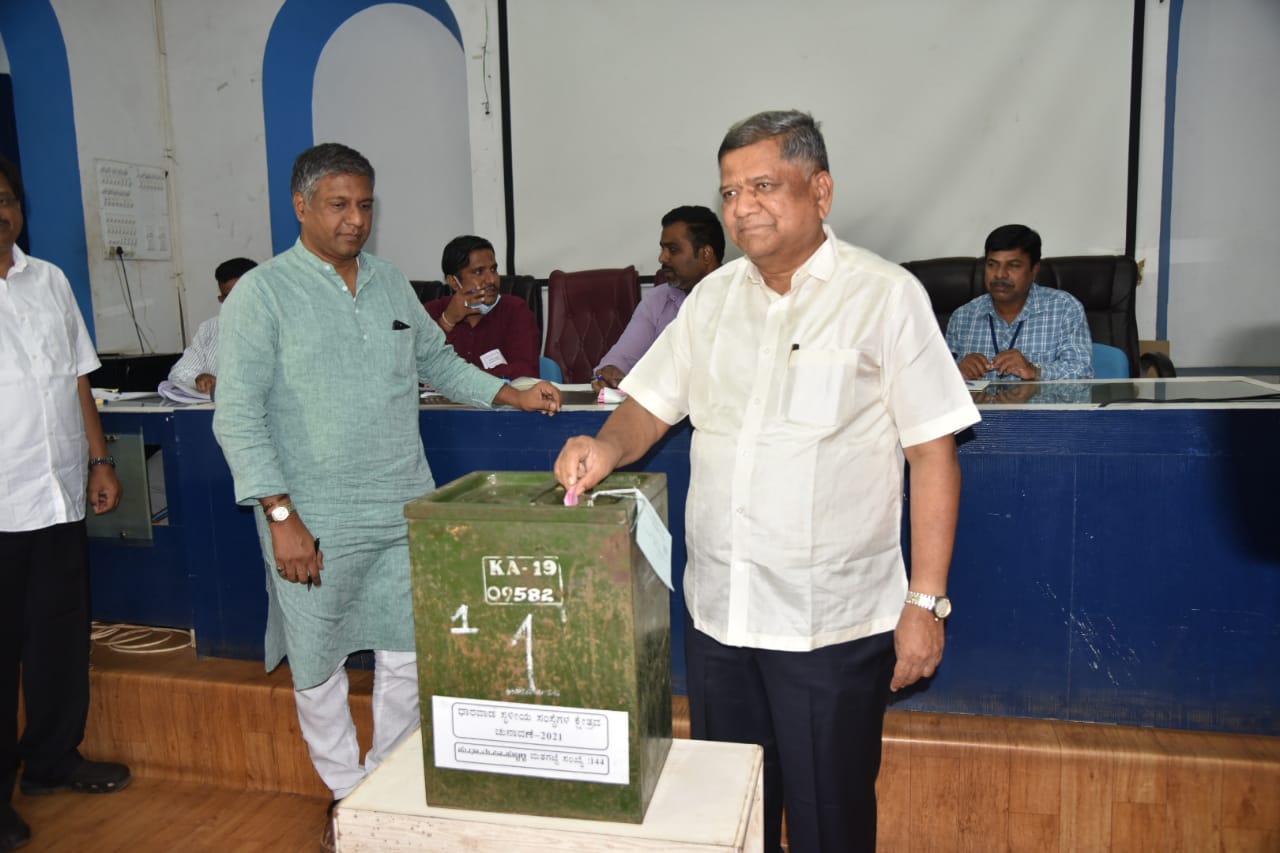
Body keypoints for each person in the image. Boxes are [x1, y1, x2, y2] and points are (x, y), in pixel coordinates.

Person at [555, 111, 979, 853]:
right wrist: (604, 445)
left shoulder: (884, 295)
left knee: (829, 820)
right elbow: (650, 405)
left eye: (761, 185)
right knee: (734, 812)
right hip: (721, 617)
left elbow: (933, 454)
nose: (742, 206)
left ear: (820, 191)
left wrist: (925, 602)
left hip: (831, 624)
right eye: (728, 192)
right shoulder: (712, 299)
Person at [211, 143, 561, 850]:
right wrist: (280, 515)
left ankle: (382, 782)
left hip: (403, 504)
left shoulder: (391, 282)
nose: (355, 219)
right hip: (311, 517)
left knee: (406, 653)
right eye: (338, 204)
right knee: (318, 662)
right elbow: (238, 416)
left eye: (365, 204)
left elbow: (438, 360)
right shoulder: (263, 294)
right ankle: (347, 792)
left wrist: (510, 393)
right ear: (301, 205)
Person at [0, 157, 131, 852]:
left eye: (6, 199)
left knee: (58, 642)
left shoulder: (47, 280)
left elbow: (78, 379)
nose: (1, 211)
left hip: (55, 497)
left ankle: (52, 759)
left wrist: (101, 457)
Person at [592, 206, 724, 392]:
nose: (662, 257)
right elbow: (623, 357)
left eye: (673, 249)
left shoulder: (742, 298)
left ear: (705, 254)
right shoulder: (657, 299)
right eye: (663, 248)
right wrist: (609, 372)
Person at [945, 224, 1094, 381]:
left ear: (1034, 270)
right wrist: (957, 372)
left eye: (1014, 265)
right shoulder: (962, 317)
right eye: (992, 265)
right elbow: (938, 378)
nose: (1000, 274)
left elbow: (1083, 373)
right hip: (981, 406)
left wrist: (1034, 371)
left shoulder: (1064, 308)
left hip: (1040, 405)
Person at [423, 235, 540, 380]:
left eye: (493, 269)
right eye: (478, 272)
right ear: (453, 282)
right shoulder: (432, 312)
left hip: (501, 401)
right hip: (444, 402)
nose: (492, 280)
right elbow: (421, 367)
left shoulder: (515, 310)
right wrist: (447, 322)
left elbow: (525, 371)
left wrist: (464, 381)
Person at [166, 257, 257, 394]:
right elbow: (178, 373)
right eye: (228, 298)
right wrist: (198, 378)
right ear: (221, 299)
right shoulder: (210, 328)